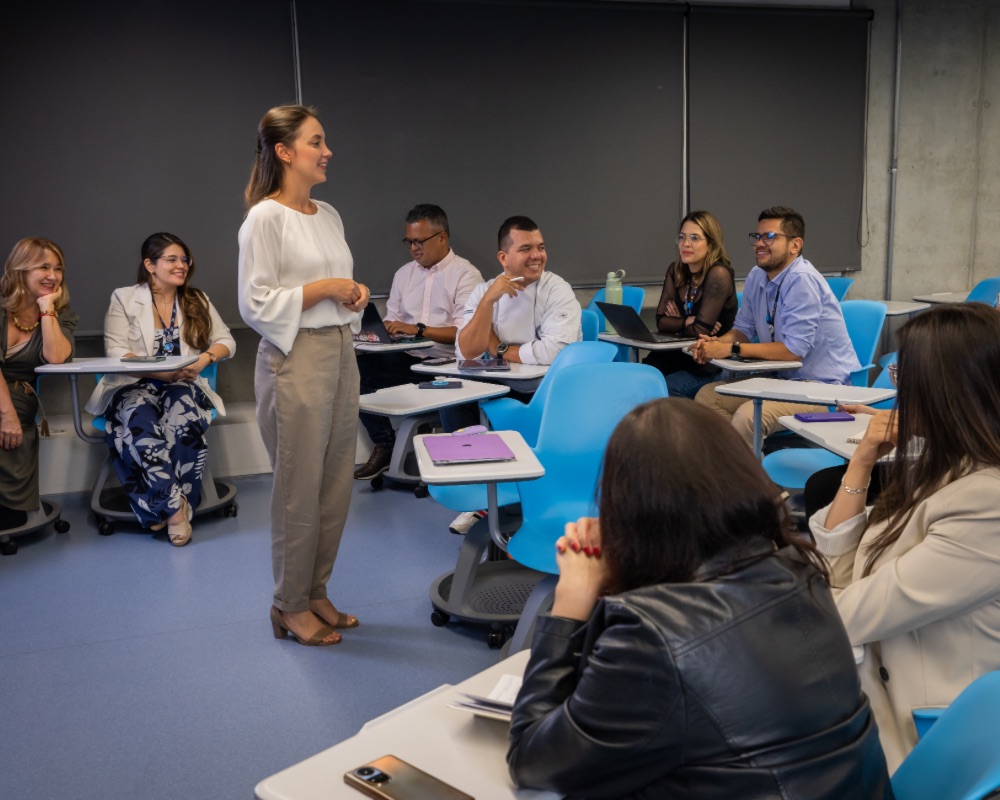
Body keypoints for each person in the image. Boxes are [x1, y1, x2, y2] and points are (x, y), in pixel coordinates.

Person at [506, 398, 891, 799]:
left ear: (628, 506)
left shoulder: (652, 635)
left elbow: (533, 762)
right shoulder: (797, 568)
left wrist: (570, 603)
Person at [809, 302, 1000, 772]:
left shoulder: (987, 505)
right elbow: (840, 567)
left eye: (903, 374)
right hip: (875, 699)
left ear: (944, 390)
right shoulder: (943, 468)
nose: (895, 386)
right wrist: (861, 463)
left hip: (930, 739)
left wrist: (750, 614)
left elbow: (853, 610)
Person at [238, 104, 369, 647]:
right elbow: (254, 300)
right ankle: (287, 605)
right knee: (299, 490)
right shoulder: (264, 217)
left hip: (341, 350)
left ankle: (315, 591)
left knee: (336, 484)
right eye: (316, 142)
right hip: (295, 358)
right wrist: (326, 290)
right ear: (285, 152)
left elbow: (341, 284)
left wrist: (354, 294)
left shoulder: (329, 213)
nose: (327, 151)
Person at [85, 233, 234, 546]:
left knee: (183, 420)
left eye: (184, 259)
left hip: (183, 381)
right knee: (139, 421)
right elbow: (116, 351)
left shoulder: (197, 299)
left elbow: (226, 341)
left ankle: (156, 511)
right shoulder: (124, 297)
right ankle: (176, 510)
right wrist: (157, 371)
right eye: (172, 259)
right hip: (134, 383)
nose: (181, 265)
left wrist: (204, 358)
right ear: (150, 265)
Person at [447, 215, 582, 533]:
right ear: (503, 258)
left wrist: (499, 348)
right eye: (526, 248)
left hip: (542, 388)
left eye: (541, 247)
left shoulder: (557, 289)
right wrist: (488, 302)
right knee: (454, 402)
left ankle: (519, 495)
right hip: (496, 382)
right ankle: (480, 497)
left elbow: (555, 350)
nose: (537, 255)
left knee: (501, 409)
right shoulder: (484, 290)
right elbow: (466, 351)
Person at [692, 206, 859, 447]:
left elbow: (793, 351)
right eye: (757, 236)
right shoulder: (756, 276)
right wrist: (717, 344)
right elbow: (743, 329)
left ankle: (745, 480)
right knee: (708, 397)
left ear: (795, 245)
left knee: (748, 416)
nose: (760, 243)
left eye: (770, 237)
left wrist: (732, 350)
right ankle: (734, 468)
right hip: (782, 379)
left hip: (824, 388)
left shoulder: (802, 280)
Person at [353, 203, 482, 481]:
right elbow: (393, 319)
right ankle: (385, 444)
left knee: (455, 397)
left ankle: (458, 470)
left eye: (420, 241)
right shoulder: (403, 274)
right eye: (409, 242)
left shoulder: (466, 275)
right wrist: (384, 331)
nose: (414, 248)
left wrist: (417, 329)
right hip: (409, 359)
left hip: (449, 363)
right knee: (354, 373)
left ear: (443, 237)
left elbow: (466, 332)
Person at [0, 238, 77, 529]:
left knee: (15, 408)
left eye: (58, 269)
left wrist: (47, 309)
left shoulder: (62, 312)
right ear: (20, 269)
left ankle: (12, 505)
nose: (53, 275)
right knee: (8, 412)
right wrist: (5, 415)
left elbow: (56, 358)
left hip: (19, 390)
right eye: (43, 266)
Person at [643, 210, 738, 398]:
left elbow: (699, 332)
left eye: (695, 238)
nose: (686, 244)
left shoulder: (719, 274)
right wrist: (687, 322)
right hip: (676, 353)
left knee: (666, 387)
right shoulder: (676, 270)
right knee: (639, 377)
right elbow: (661, 321)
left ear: (711, 244)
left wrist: (680, 322)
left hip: (707, 362)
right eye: (682, 237)